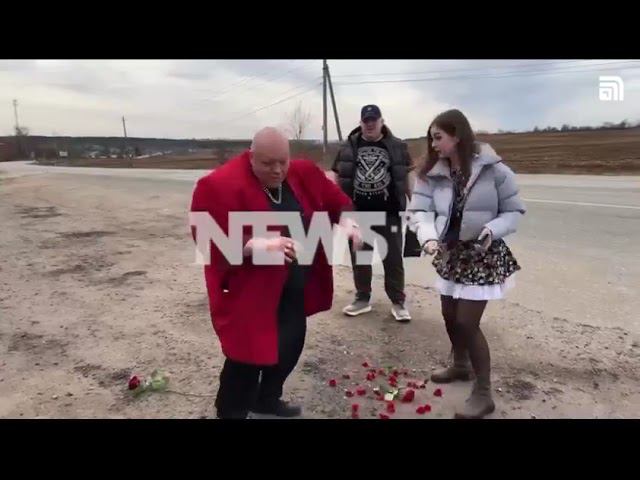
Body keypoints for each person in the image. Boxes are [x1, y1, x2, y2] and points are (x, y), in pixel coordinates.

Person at [190, 127, 362, 419]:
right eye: (268, 163)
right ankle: (230, 411)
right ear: (251, 156)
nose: (278, 170)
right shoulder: (219, 185)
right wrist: (254, 245)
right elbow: (206, 236)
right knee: (246, 356)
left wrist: (349, 222)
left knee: (290, 344)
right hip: (251, 289)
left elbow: (335, 200)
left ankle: (267, 398)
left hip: (293, 282)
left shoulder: (303, 173)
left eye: (283, 161)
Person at [407, 109, 526, 419]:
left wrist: (491, 230)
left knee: (466, 323)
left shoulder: (495, 171)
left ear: (457, 135)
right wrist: (428, 237)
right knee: (449, 315)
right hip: (451, 254)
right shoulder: (430, 173)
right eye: (431, 138)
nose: (433, 144)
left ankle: (484, 393)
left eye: (438, 137)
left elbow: (513, 211)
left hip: (482, 255)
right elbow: (419, 212)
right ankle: (460, 365)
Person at [331, 104, 413, 322]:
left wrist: (414, 206)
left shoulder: (397, 146)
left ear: (381, 122)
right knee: (360, 257)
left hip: (390, 212)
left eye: (373, 121)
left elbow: (406, 178)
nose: (369, 125)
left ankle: (398, 301)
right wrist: (339, 207)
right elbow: (338, 176)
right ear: (361, 123)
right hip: (359, 213)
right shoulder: (348, 147)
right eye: (366, 121)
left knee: (393, 258)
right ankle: (362, 298)